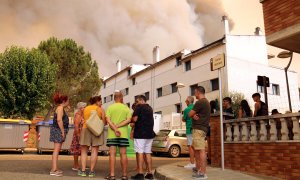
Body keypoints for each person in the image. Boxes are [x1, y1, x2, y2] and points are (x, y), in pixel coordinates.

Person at [105, 92, 132, 180]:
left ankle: (112, 175)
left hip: (112, 134)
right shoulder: (126, 108)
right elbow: (128, 120)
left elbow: (108, 120)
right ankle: (124, 175)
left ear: (114, 98)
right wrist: (119, 127)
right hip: (123, 134)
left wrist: (114, 128)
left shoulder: (110, 107)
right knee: (123, 154)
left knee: (112, 154)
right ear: (121, 98)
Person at [78, 96, 106, 177]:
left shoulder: (85, 108)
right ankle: (91, 171)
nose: (101, 103)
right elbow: (104, 122)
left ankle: (83, 171)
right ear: (97, 101)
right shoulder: (101, 110)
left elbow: (82, 119)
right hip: (96, 131)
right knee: (94, 151)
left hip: (85, 129)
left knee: (84, 151)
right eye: (100, 102)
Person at [131, 95, 156, 180]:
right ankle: (150, 173)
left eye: (137, 101)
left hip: (140, 133)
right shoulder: (150, 108)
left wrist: (131, 120)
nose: (136, 103)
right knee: (148, 153)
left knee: (140, 152)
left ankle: (140, 173)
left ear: (141, 100)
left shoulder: (139, 107)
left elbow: (134, 119)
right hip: (149, 134)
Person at [188, 86, 210, 179]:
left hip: (198, 129)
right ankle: (198, 169)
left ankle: (203, 173)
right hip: (202, 129)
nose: (194, 94)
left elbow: (189, 114)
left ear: (198, 92)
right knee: (196, 148)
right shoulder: (206, 102)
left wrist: (192, 115)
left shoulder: (200, 102)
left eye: (195, 92)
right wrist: (194, 116)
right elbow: (193, 115)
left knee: (201, 150)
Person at [49, 93, 70, 177]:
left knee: (57, 150)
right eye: (68, 100)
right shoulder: (60, 108)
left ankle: (55, 168)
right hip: (58, 130)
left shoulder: (60, 108)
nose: (69, 102)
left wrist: (67, 108)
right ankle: (53, 170)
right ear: (64, 101)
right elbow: (59, 120)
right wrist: (62, 131)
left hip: (57, 130)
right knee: (56, 151)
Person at [70, 102, 87, 171]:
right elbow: (76, 126)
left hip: (83, 134)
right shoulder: (78, 115)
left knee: (82, 150)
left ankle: (80, 164)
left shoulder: (83, 115)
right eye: (84, 107)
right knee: (76, 150)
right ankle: (75, 165)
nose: (85, 108)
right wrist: (78, 135)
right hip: (78, 134)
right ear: (80, 108)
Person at [182, 96, 196, 169]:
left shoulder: (186, 109)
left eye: (185, 101)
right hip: (196, 129)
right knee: (196, 146)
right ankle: (197, 163)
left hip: (189, 129)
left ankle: (192, 163)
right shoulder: (196, 107)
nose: (185, 102)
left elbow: (183, 119)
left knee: (190, 146)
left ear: (188, 101)